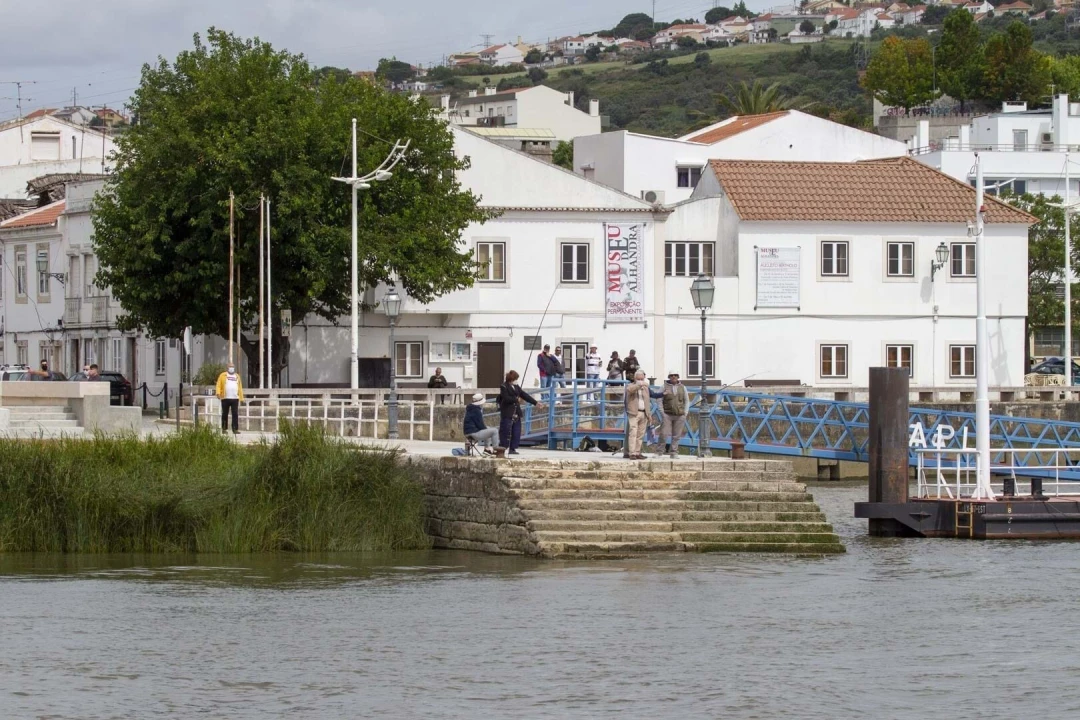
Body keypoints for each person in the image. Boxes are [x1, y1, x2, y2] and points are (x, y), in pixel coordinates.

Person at [497, 370, 538, 455]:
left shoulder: (516, 387)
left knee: (516, 431)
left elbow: (524, 395)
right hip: (507, 412)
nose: (516, 381)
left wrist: (535, 403)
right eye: (515, 379)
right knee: (505, 431)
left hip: (516, 412)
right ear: (511, 379)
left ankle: (513, 448)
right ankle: (502, 448)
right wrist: (516, 399)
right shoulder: (503, 386)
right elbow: (506, 398)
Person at [624, 370, 652, 460]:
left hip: (644, 413)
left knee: (640, 434)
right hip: (634, 413)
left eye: (642, 379)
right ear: (635, 379)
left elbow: (647, 401)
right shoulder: (630, 386)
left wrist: (649, 414)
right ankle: (631, 453)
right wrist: (639, 385)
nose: (640, 380)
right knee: (633, 432)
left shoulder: (646, 388)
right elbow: (630, 390)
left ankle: (637, 452)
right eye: (638, 379)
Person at [661, 371, 690, 459]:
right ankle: (659, 451)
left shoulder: (683, 387)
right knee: (664, 434)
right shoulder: (663, 387)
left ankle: (674, 452)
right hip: (667, 414)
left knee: (677, 435)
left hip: (680, 414)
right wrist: (662, 412)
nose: (673, 377)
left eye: (675, 375)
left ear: (678, 377)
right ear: (669, 377)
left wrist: (685, 412)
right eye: (672, 375)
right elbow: (659, 400)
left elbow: (686, 400)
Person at [215, 362, 244, 435]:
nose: (232, 368)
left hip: (235, 398)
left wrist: (241, 397)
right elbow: (218, 384)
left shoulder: (237, 376)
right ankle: (224, 429)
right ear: (227, 368)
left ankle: (235, 429)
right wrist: (218, 393)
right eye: (230, 366)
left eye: (233, 366)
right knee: (224, 414)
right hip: (225, 398)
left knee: (235, 414)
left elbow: (240, 387)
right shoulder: (223, 375)